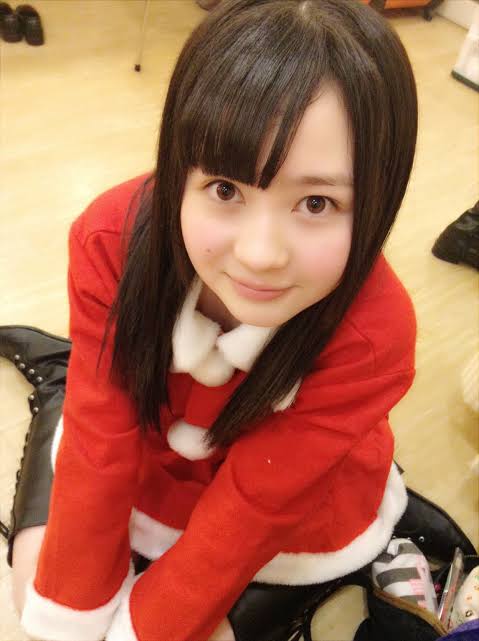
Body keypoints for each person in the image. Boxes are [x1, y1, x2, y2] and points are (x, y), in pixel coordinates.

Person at [0, 1, 459, 640]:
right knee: (40, 598)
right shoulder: (113, 238)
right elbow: (101, 436)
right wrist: (68, 611)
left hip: (282, 491)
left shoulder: (373, 335)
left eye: (316, 202)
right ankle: (64, 380)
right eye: (225, 189)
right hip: (150, 441)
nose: (260, 254)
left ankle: (62, 376)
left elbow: (256, 508)